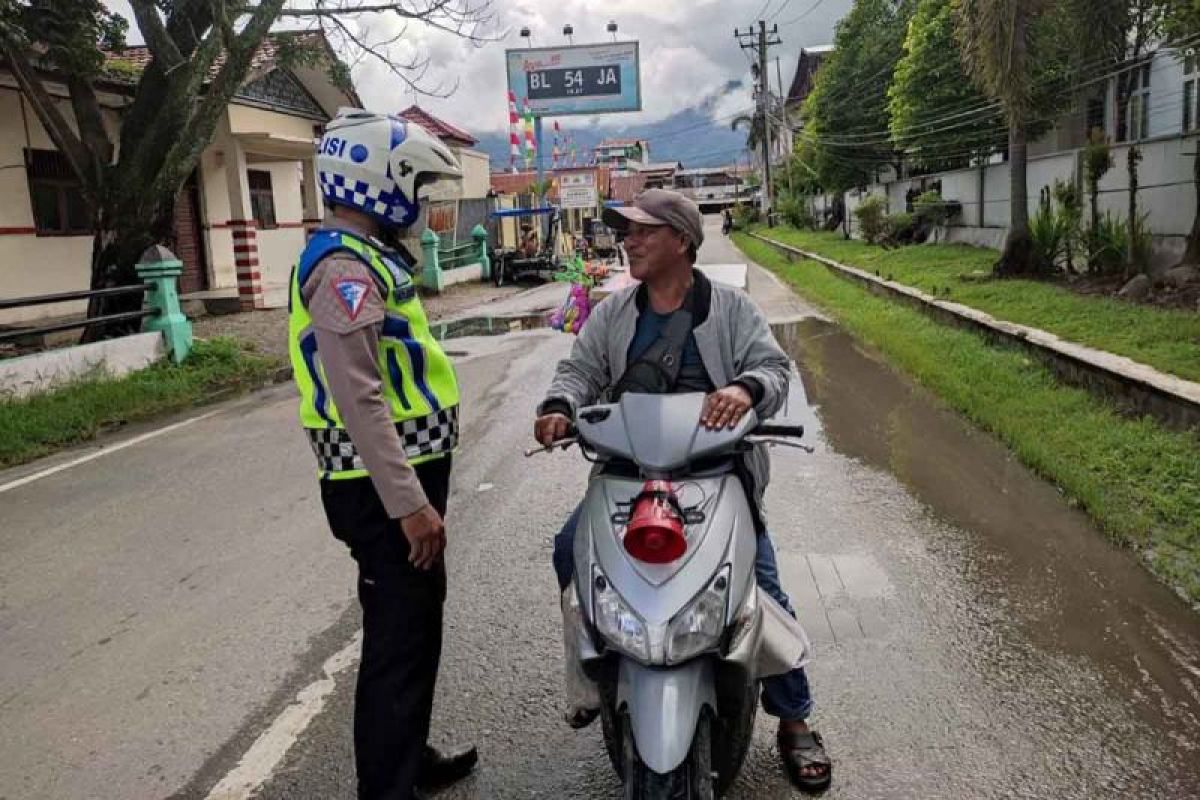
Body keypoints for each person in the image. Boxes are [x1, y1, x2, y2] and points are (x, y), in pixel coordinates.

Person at [533, 188, 833, 793]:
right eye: (627, 232)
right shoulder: (614, 314)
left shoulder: (730, 309)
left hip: (717, 473)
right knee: (571, 550)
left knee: (760, 585)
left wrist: (746, 390)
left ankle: (796, 718)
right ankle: (593, 675)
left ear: (683, 241)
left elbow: (773, 368)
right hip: (628, 471)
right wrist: (560, 405)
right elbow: (580, 369)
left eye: (643, 231)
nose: (629, 241)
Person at [288, 108, 477, 800]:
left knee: (414, 628)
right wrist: (411, 507)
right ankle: (389, 787)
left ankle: (407, 756)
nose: (420, 205)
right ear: (380, 182)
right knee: (398, 641)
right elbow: (361, 400)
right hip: (380, 490)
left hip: (395, 481)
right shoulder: (342, 268)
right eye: (415, 188)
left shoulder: (367, 258)